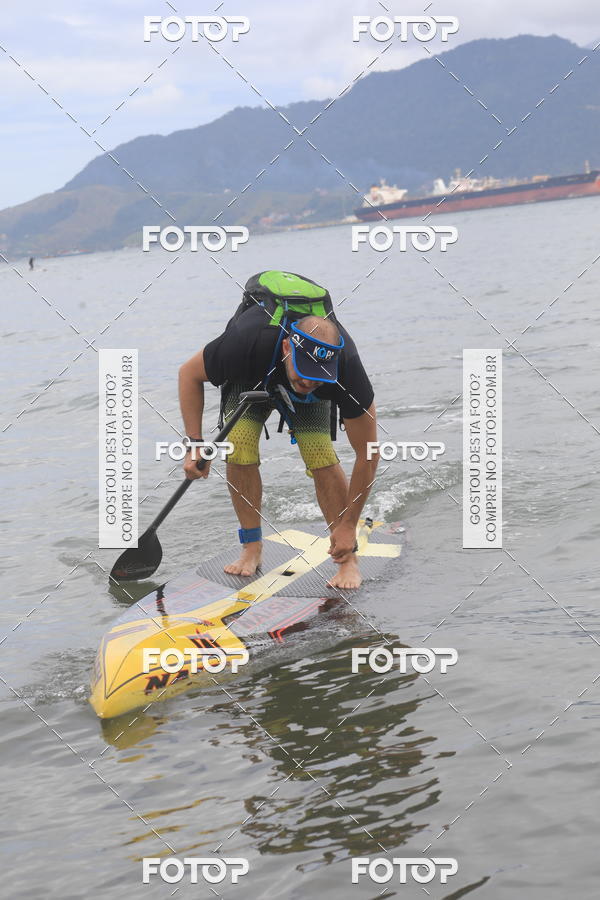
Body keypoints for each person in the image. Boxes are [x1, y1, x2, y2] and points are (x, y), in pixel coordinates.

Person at [178, 271, 379, 589]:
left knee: (320, 453)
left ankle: (347, 559)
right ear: (287, 347)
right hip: (253, 374)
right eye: (303, 374)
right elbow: (188, 374)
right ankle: (252, 547)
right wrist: (194, 444)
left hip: (300, 374)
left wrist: (349, 525)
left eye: (318, 376)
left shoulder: (346, 368)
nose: (309, 383)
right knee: (240, 443)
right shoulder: (245, 342)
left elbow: (367, 454)